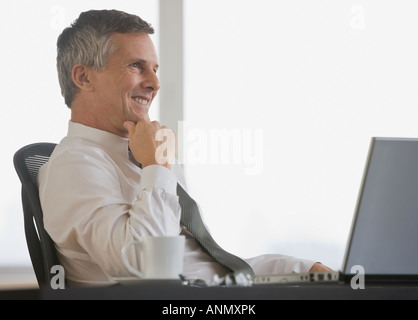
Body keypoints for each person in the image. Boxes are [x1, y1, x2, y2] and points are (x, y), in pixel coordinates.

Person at [39, 9, 332, 286]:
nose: (154, 82)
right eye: (135, 66)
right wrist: (157, 166)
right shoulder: (75, 165)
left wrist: (298, 269)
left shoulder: (144, 154)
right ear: (84, 77)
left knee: (327, 279)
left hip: (206, 296)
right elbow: (150, 270)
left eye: (154, 68)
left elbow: (201, 268)